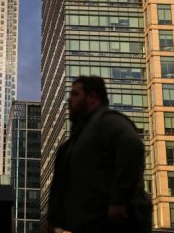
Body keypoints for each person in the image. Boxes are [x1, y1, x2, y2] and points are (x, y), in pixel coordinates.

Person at [46, 76, 151, 233]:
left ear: (92, 98)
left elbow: (132, 146)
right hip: (88, 225)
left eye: (75, 94)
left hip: (113, 225)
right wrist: (52, 219)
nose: (70, 100)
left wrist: (118, 202)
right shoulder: (75, 140)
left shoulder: (107, 122)